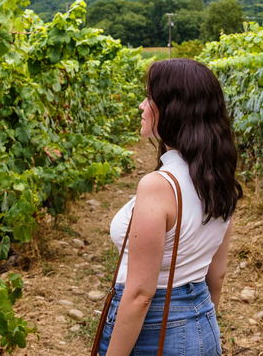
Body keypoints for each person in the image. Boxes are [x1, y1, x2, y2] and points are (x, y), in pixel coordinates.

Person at [98, 58, 243, 355]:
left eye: (149, 98)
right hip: (203, 321)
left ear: (174, 109)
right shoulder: (218, 179)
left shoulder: (159, 186)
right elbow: (216, 276)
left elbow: (140, 295)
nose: (142, 105)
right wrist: (196, 329)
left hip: (154, 330)